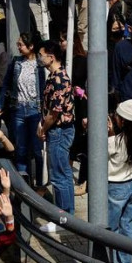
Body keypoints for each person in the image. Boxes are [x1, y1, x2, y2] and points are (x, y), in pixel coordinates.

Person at [0, 32, 44, 186]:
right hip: (18, 109)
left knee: (37, 150)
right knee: (21, 148)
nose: (18, 47)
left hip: (35, 110)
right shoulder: (16, 63)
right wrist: (0, 103)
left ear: (31, 47)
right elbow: (6, 83)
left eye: (21, 44)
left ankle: (40, 182)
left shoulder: (41, 65)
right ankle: (23, 183)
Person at [38, 39, 75, 230]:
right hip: (58, 129)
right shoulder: (55, 76)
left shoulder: (59, 79)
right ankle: (68, 215)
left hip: (59, 131)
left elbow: (55, 112)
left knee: (59, 175)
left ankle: (63, 218)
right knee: (64, 173)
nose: (39, 58)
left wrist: (43, 128)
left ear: (50, 57)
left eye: (41, 55)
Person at [107, 100, 132, 263]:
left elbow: (98, 153)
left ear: (122, 120)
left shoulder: (115, 141)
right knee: (129, 228)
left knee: (112, 229)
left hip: (115, 187)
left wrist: (109, 134)